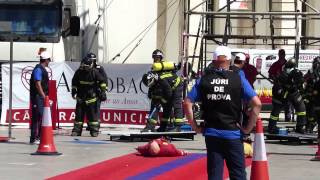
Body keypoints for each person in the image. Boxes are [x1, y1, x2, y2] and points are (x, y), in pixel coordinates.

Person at [184, 46, 261, 180]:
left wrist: (195, 126)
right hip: (233, 133)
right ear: (229, 60)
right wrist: (248, 129)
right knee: (238, 174)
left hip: (212, 133)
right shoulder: (238, 79)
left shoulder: (204, 79)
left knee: (214, 174)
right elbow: (257, 104)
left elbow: (187, 103)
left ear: (214, 61)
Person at [142, 49, 184, 132]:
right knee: (159, 106)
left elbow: (168, 91)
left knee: (176, 104)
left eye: (157, 57)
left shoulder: (164, 69)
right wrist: (150, 92)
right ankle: (159, 127)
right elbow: (153, 83)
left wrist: (163, 100)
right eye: (154, 57)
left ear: (161, 58)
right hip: (164, 89)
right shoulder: (154, 70)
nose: (156, 59)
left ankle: (178, 127)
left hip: (175, 86)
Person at [267, 58, 306, 134]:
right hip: (282, 93)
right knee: (276, 110)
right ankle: (272, 127)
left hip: (293, 92)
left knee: (301, 108)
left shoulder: (296, 72)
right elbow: (279, 86)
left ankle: (300, 127)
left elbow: (300, 82)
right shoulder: (283, 74)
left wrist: (298, 85)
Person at [71, 57, 107, 137]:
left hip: (91, 98)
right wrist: (74, 91)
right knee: (79, 116)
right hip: (80, 97)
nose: (86, 68)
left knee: (93, 117)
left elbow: (102, 81)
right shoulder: (79, 72)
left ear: (90, 65)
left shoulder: (95, 72)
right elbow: (74, 82)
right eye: (85, 66)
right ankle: (77, 131)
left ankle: (94, 131)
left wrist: (103, 91)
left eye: (87, 66)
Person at [29, 50, 51, 144]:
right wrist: (44, 96)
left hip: (41, 97)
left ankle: (38, 137)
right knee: (38, 116)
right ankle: (35, 138)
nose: (49, 61)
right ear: (46, 60)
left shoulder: (41, 69)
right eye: (49, 60)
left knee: (41, 116)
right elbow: (38, 84)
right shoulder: (38, 69)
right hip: (38, 97)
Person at [268, 49, 294, 122]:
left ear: (284, 55)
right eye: (280, 54)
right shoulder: (275, 64)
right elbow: (270, 74)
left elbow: (293, 75)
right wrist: (274, 78)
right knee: (276, 105)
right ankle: (274, 122)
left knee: (288, 105)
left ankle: (288, 120)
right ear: (278, 55)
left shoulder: (288, 64)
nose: (281, 55)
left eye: (283, 54)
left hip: (286, 88)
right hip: (277, 87)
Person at [85, 53, 108, 131]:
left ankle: (96, 125)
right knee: (88, 109)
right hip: (87, 92)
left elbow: (104, 80)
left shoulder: (99, 68)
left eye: (92, 60)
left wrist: (103, 91)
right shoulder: (85, 68)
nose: (91, 62)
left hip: (97, 92)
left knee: (96, 109)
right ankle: (90, 124)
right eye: (90, 60)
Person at [303, 56, 320, 133]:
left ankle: (311, 126)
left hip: (316, 97)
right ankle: (308, 127)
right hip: (309, 96)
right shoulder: (310, 73)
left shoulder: (317, 74)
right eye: (315, 63)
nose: (316, 65)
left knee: (314, 114)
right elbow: (304, 82)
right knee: (309, 113)